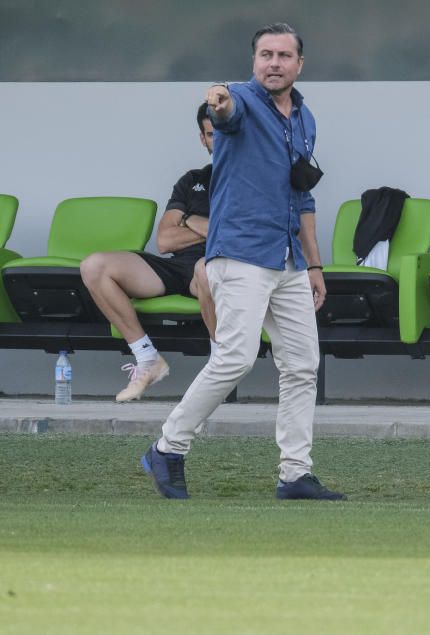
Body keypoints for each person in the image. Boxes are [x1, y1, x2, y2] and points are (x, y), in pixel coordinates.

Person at [140, 22, 344, 501]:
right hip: (241, 254)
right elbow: (225, 110)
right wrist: (219, 100)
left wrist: (315, 266)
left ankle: (295, 474)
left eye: (283, 55)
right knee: (234, 358)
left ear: (299, 64)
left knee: (302, 366)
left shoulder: (304, 118)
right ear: (254, 61)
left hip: (289, 260)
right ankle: (167, 448)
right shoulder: (239, 100)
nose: (274, 63)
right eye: (265, 55)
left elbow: (304, 197)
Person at [80, 103, 219, 402]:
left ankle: (220, 366)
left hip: (217, 267)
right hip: (178, 266)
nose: (217, 140)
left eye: (223, 132)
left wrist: (189, 220)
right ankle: (147, 358)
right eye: (210, 134)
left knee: (206, 269)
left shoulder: (250, 181)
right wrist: (207, 226)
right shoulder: (192, 179)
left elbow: (236, 235)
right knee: (94, 266)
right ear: (202, 139)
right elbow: (165, 241)